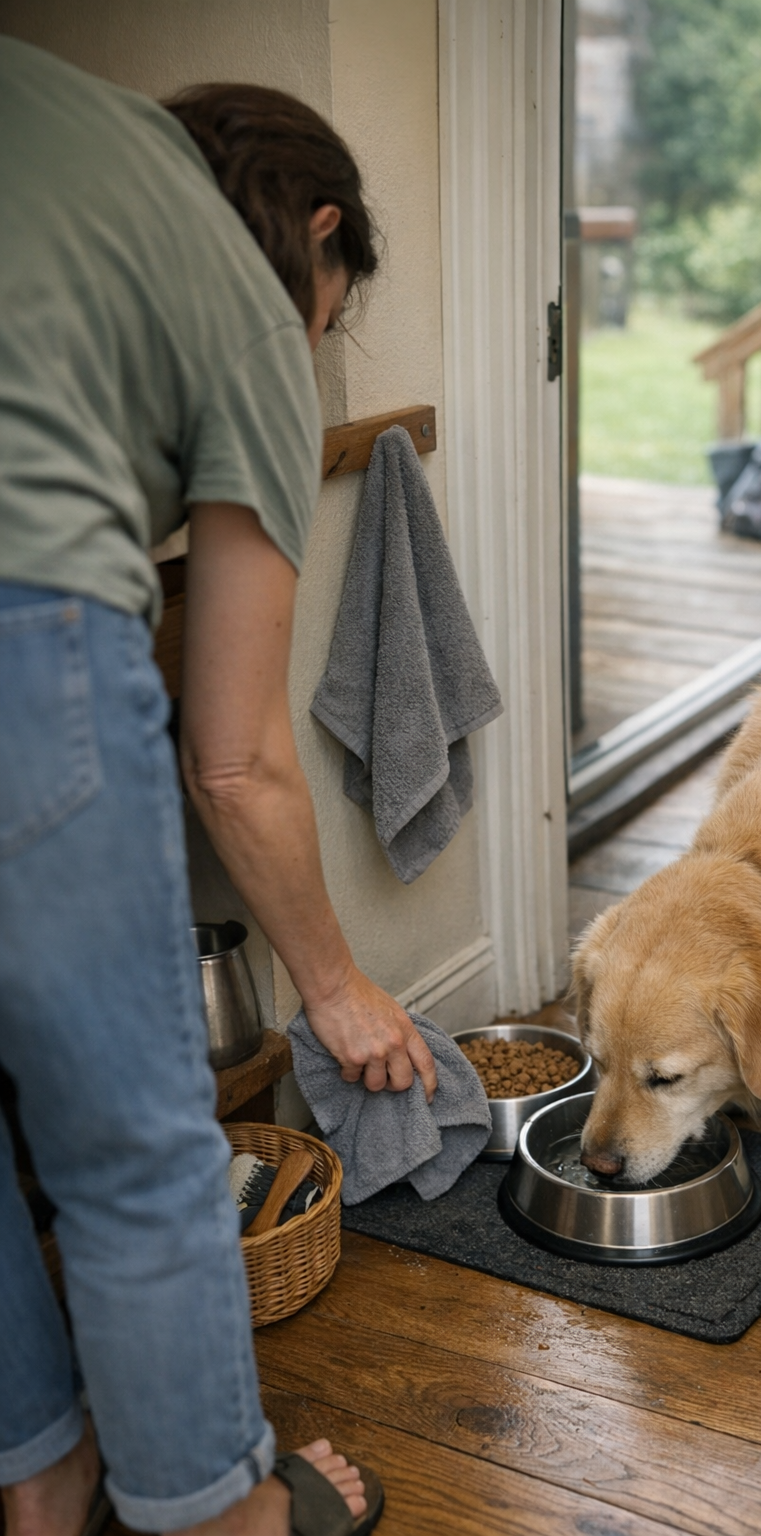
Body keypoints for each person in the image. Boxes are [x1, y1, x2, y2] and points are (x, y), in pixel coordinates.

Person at [0, 36, 436, 1536]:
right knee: (134, 1163)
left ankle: (45, 1486)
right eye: (335, 317)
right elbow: (236, 760)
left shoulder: (52, 121)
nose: (316, 344)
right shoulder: (238, 288)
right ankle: (234, 1521)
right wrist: (337, 987)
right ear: (317, 235)